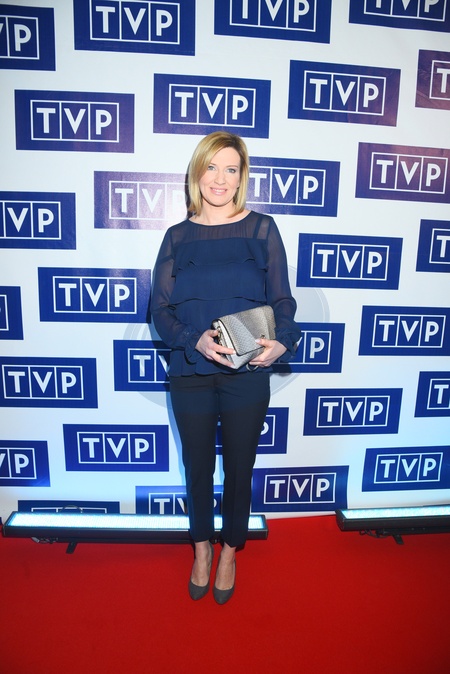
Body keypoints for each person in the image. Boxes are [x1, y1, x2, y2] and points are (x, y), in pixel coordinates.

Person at [150, 131, 301, 604]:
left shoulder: (262, 230)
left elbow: (283, 300)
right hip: (190, 371)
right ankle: (201, 549)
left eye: (231, 169)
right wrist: (192, 339)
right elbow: (160, 310)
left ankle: (230, 551)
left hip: (248, 374)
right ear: (197, 173)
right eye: (212, 167)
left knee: (239, 468)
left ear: (241, 177)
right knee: (197, 468)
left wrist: (284, 340)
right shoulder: (177, 237)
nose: (220, 178)